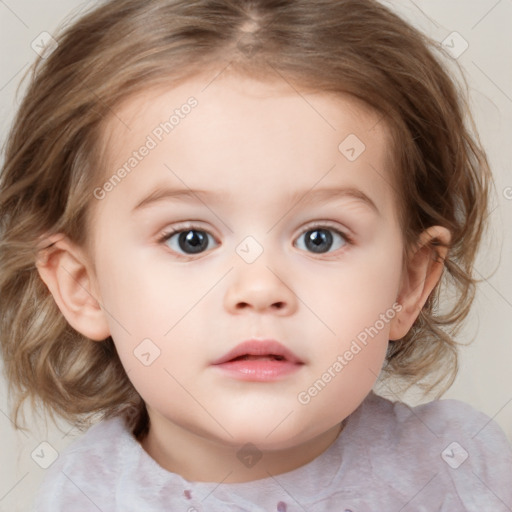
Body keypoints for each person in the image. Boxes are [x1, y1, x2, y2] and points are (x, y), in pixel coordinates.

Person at [0, 0, 510, 510]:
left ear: (408, 283)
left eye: (320, 238)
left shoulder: (462, 468)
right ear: (83, 286)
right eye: (191, 239)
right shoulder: (86, 497)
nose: (260, 289)